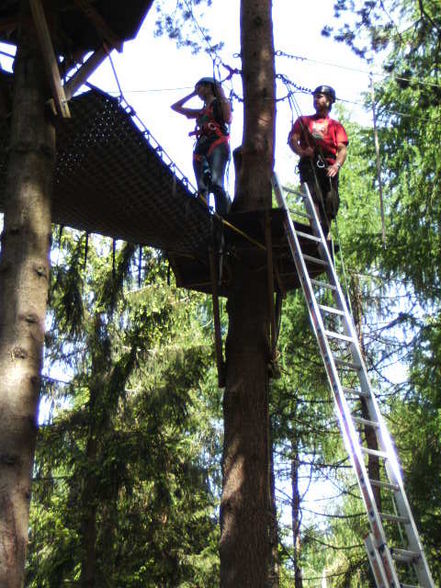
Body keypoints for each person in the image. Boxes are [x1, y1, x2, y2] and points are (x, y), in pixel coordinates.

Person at [288, 85, 348, 234]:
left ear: (329, 101)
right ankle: (317, 228)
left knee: (330, 201)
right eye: (315, 96)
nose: (316, 99)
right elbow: (293, 139)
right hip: (309, 164)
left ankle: (325, 231)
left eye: (319, 96)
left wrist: (336, 166)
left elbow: (342, 149)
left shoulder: (336, 126)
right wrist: (302, 152)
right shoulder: (303, 120)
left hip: (328, 167)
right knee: (312, 196)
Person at [171, 77, 232, 218]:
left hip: (217, 143)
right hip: (201, 147)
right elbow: (175, 107)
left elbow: (228, 118)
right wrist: (193, 93)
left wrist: (220, 91)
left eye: (200, 88)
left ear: (210, 87)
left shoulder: (219, 104)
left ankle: (222, 219)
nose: (197, 91)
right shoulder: (201, 112)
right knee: (202, 188)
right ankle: (203, 221)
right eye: (196, 89)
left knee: (216, 184)